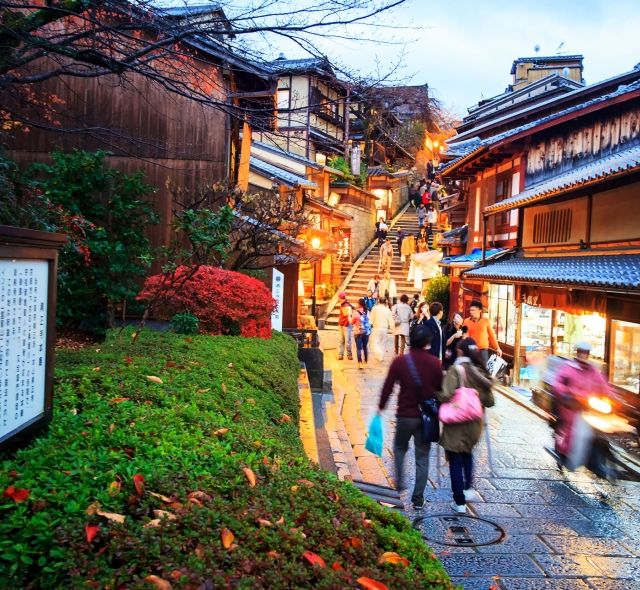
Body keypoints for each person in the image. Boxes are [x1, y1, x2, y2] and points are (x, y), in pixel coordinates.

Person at [377, 324, 443, 509]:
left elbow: (388, 387)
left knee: (399, 449)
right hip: (426, 418)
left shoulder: (400, 362)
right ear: (427, 342)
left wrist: (380, 407)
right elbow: (441, 389)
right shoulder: (435, 363)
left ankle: (399, 488)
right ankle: (418, 498)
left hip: (405, 415)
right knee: (422, 457)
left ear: (410, 340)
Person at [438, 337, 495, 514]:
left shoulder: (456, 370)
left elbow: (445, 395)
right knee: (467, 453)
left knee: (455, 459)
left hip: (457, 423)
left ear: (460, 351)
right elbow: (490, 401)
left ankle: (459, 502)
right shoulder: (480, 371)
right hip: (474, 424)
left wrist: (437, 392)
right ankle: (468, 488)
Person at [552, 341, 615, 467]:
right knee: (570, 429)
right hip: (570, 405)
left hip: (587, 407)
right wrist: (564, 393)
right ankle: (563, 452)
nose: (583, 355)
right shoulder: (568, 367)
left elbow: (603, 385)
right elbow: (558, 383)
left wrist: (613, 397)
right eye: (581, 352)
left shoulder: (593, 370)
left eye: (585, 353)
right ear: (577, 352)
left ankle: (590, 455)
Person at [462, 300, 501, 366]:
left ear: (480, 310)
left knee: (483, 371)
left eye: (473, 310)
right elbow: (463, 336)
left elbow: (491, 335)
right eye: (470, 310)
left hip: (483, 351)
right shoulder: (466, 321)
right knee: (471, 371)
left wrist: (497, 348)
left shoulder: (486, 321)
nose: (471, 312)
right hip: (471, 350)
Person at [369, 296, 394, 362]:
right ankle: (381, 357)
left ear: (378, 301)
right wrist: (393, 329)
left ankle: (379, 353)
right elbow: (391, 321)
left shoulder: (375, 308)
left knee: (373, 342)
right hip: (384, 329)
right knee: (382, 343)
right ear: (385, 302)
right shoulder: (388, 310)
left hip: (376, 328)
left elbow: (370, 319)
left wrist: (368, 325)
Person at [352, 298, 372, 369]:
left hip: (358, 332)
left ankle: (360, 363)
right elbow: (370, 321)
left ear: (359, 304)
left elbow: (352, 322)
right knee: (365, 347)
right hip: (366, 332)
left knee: (359, 348)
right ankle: (366, 361)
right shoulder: (367, 311)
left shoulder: (356, 313)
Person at [337, 292, 354, 361]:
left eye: (338, 297)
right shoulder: (342, 304)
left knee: (347, 341)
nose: (338, 298)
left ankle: (349, 354)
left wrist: (350, 324)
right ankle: (340, 354)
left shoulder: (346, 305)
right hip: (341, 324)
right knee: (341, 340)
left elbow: (349, 316)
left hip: (346, 325)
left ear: (340, 298)